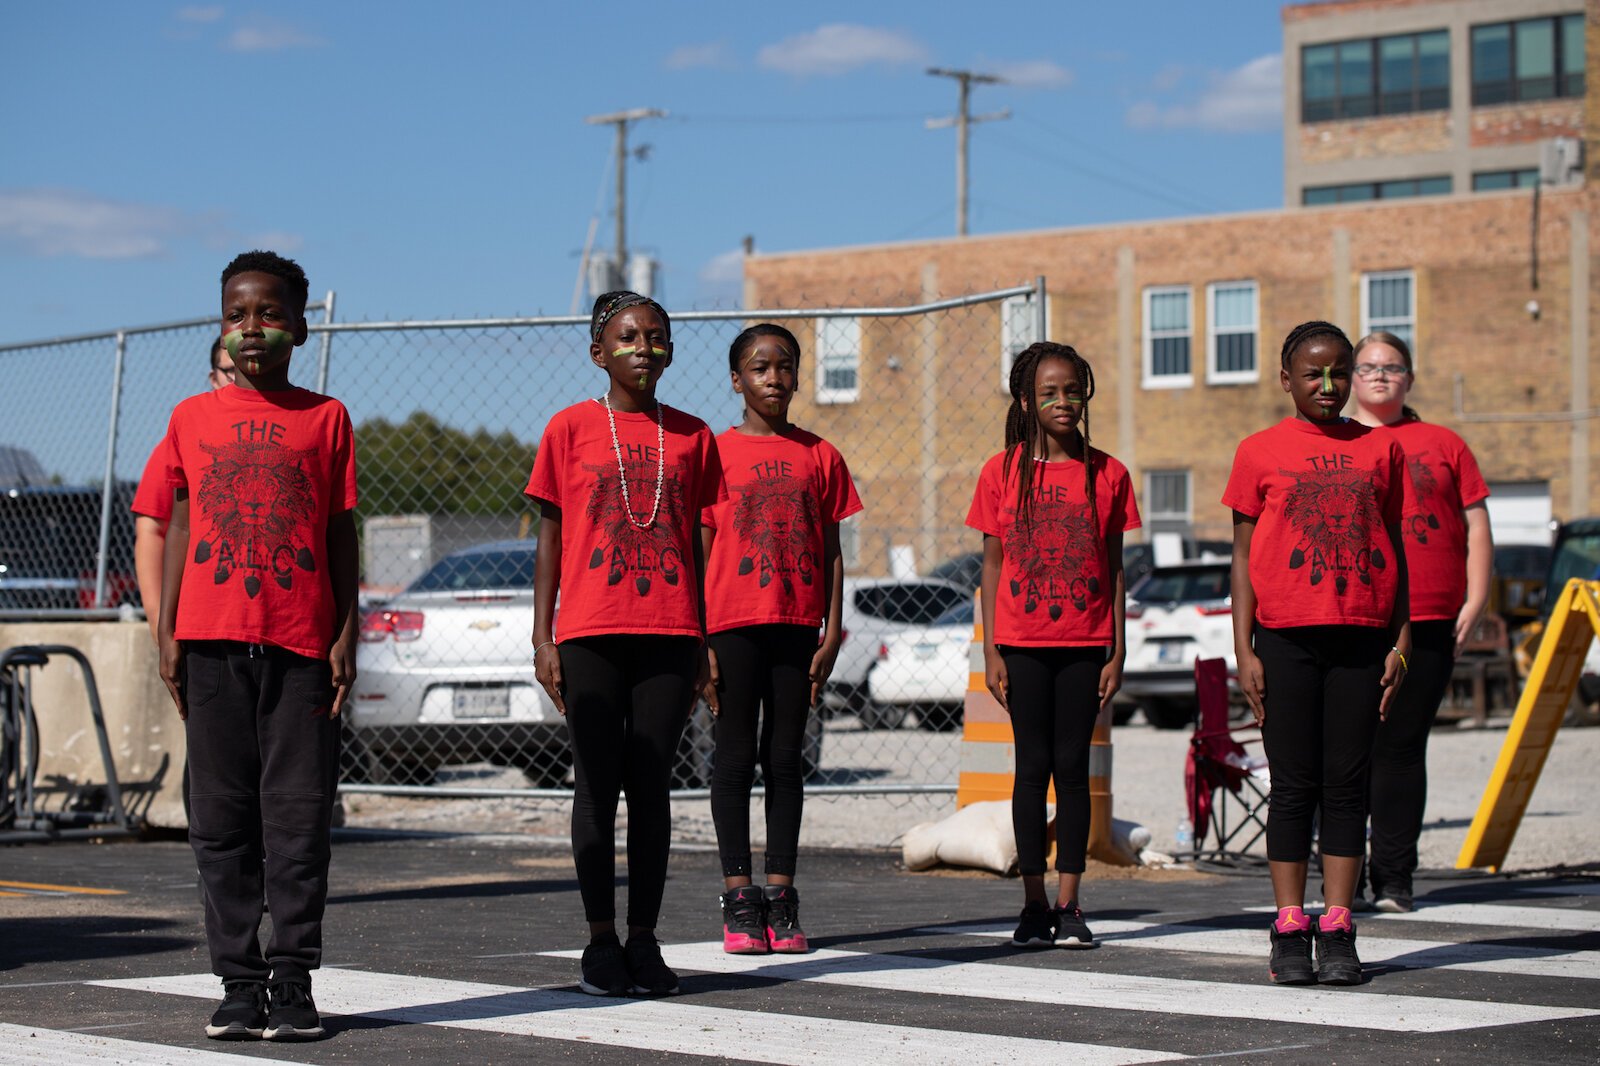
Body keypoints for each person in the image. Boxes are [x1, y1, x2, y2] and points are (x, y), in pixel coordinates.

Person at [157, 251, 358, 1041]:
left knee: (298, 817)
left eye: (270, 313)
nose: (253, 329)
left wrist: (344, 631)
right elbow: (179, 525)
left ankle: (293, 977)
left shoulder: (326, 417)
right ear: (220, 325)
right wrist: (170, 629)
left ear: (300, 326)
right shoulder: (189, 418)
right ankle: (238, 980)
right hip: (209, 643)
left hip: (300, 644)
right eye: (237, 314)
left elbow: (340, 531)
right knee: (220, 818)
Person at [528, 290, 724, 997]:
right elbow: (550, 534)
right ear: (598, 351)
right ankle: (600, 941)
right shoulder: (570, 429)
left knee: (652, 787)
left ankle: (645, 939)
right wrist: (542, 633)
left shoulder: (696, 437)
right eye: (629, 336)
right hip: (589, 631)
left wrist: (706, 637)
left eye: (657, 336)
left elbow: (703, 543)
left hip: (670, 631)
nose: (644, 347)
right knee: (596, 782)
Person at [1224, 321, 1411, 987]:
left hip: (1362, 636)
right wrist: (1244, 648)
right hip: (1285, 640)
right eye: (1312, 373)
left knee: (1346, 785)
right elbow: (1244, 556)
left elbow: (1393, 544)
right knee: (1294, 785)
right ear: (1287, 380)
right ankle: (1289, 925)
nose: (1327, 384)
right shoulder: (1258, 451)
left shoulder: (1381, 449)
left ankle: (1338, 924)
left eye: (1339, 371)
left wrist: (1402, 638)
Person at [966, 341, 1140, 950]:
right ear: (1025, 400)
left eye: (1072, 390)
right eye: (1048, 392)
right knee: (1030, 768)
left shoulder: (1109, 473)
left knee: (1073, 769)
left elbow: (1116, 569)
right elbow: (990, 566)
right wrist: (991, 651)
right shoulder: (1001, 471)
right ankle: (1033, 903)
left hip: (1087, 643)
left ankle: (1070, 904)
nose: (1062, 402)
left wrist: (1117, 650)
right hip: (1021, 642)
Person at [701, 323, 861, 954]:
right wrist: (702, 637)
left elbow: (833, 552)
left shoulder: (821, 455)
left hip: (798, 626)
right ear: (737, 380)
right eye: (760, 368)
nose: (774, 377)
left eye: (785, 366)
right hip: (732, 625)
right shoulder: (714, 454)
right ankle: (739, 898)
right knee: (736, 755)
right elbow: (703, 546)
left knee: (787, 759)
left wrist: (832, 627)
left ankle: (780, 896)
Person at [1351, 331, 1491, 914]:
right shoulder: (1336, 440)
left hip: (1432, 613)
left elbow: (1477, 524)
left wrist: (1475, 601)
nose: (1380, 375)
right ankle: (1342, 877)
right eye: (1368, 366)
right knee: (1346, 749)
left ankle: (1394, 878)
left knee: (1402, 746)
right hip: (1354, 615)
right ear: (1351, 376)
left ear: (1409, 377)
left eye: (1392, 366)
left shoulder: (1443, 443)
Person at [133, 338, 236, 643]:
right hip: (202, 630)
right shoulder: (180, 440)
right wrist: (158, 623)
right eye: (229, 370)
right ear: (213, 376)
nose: (237, 378)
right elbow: (151, 531)